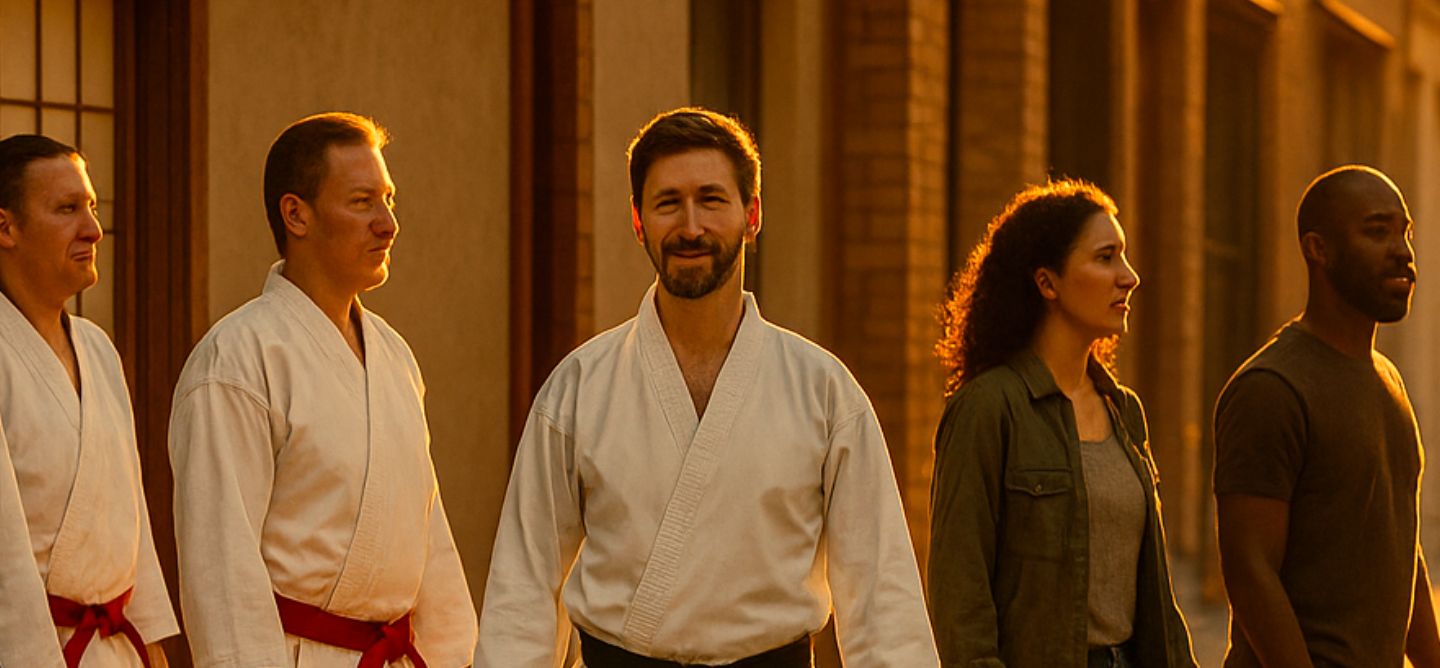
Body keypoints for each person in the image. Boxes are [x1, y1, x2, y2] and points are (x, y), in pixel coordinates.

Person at [478, 107, 938, 666]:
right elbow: (523, 587)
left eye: (712, 200)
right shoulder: (578, 388)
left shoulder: (823, 391)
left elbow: (881, 595)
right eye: (668, 203)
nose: (690, 227)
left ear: (753, 214)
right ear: (638, 220)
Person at [169, 113, 476, 667]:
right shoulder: (239, 358)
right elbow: (221, 567)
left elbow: (428, 543)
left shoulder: (394, 355)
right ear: (297, 214)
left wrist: (455, 655)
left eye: (389, 200)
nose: (388, 224)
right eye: (362, 202)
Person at [928, 180, 1196, 667]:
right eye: (1105, 257)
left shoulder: (1124, 409)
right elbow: (960, 599)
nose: (1129, 276)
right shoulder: (990, 408)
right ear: (1047, 282)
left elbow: (1156, 594)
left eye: (1125, 256)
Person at [1214, 165, 1440, 667]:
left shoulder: (1388, 381)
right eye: (1377, 232)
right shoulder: (1272, 388)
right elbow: (1250, 570)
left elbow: (1404, 550)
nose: (1403, 251)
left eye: (1404, 233)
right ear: (1317, 249)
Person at [0, 135, 178, 667]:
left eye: (93, 208)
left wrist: (153, 648)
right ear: (5, 227)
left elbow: (132, 529)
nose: (93, 229)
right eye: (67, 209)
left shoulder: (98, 349)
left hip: (116, 650)